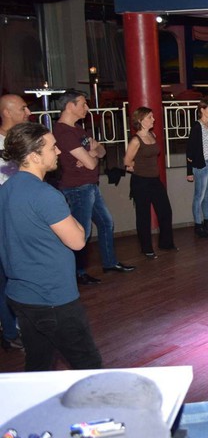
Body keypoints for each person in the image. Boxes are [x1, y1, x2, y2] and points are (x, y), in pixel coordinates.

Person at [0, 122, 102, 371]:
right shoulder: (45, 195)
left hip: (21, 296)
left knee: (39, 365)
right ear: (34, 156)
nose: (58, 151)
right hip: (53, 298)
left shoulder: (6, 189)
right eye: (52, 147)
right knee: (88, 366)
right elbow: (78, 240)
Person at [54, 90, 134, 284]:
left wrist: (91, 152)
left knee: (106, 223)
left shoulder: (77, 129)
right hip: (77, 188)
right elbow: (91, 163)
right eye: (83, 104)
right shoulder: (63, 132)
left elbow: (102, 150)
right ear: (70, 106)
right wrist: (91, 153)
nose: (87, 108)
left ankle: (109, 263)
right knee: (81, 232)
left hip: (89, 186)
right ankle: (76, 272)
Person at [123, 107, 176, 259]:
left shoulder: (152, 135)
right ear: (140, 120)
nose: (153, 119)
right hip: (141, 182)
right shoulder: (136, 140)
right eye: (149, 117)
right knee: (143, 216)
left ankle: (166, 243)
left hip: (154, 180)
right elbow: (127, 161)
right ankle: (146, 248)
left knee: (165, 211)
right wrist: (136, 168)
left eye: (152, 116)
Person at [0, 94, 31, 351]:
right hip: (4, 220)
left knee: (22, 274)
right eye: (23, 108)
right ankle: (10, 331)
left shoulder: (24, 142)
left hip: (22, 218)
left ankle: (22, 326)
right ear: (6, 112)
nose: (28, 112)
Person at [186, 98, 208, 238]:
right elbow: (190, 150)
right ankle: (198, 225)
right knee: (199, 196)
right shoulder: (197, 127)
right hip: (201, 164)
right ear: (202, 110)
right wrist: (189, 171)